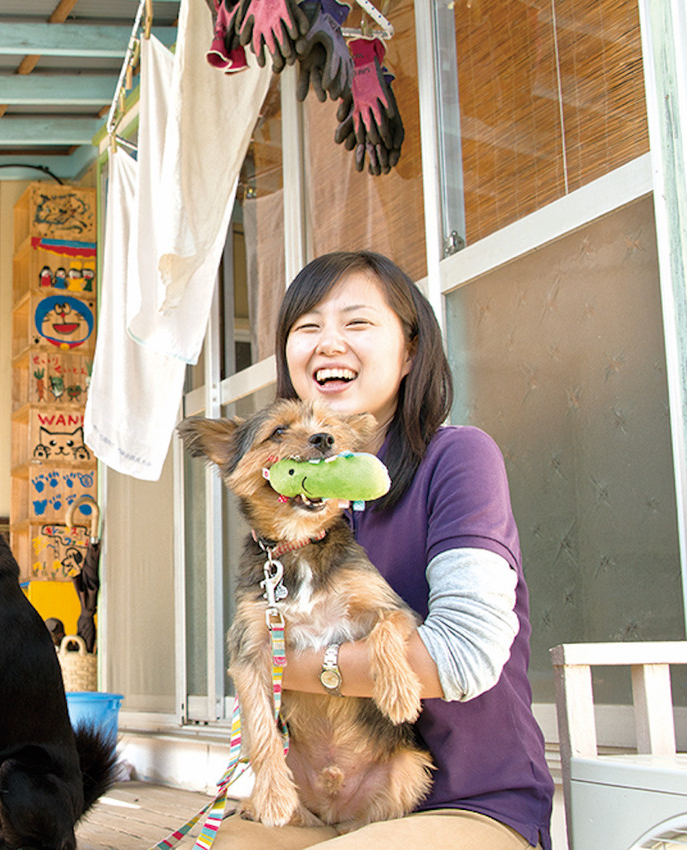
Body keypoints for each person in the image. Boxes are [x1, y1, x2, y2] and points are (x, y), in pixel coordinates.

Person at [210, 251, 554, 849]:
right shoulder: (284, 497)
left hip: (464, 800)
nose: (327, 342)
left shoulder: (458, 461)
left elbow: (463, 658)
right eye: (307, 327)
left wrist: (285, 666)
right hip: (314, 800)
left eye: (357, 323)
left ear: (411, 350)